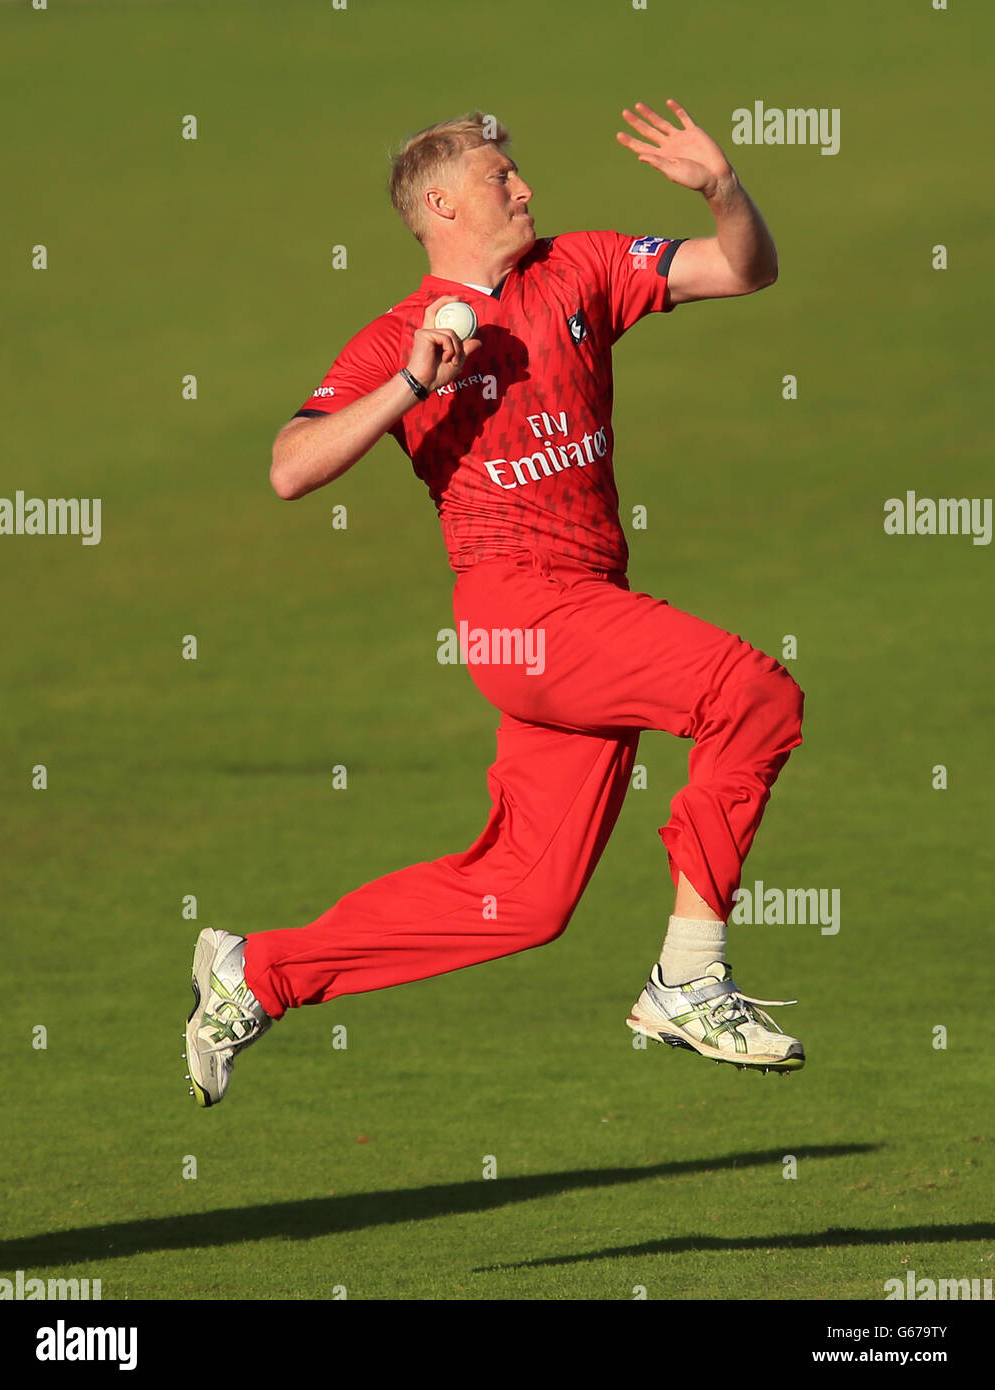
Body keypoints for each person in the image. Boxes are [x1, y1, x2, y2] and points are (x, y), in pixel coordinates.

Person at [184, 99, 805, 1108]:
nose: (525, 190)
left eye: (518, 176)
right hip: (524, 618)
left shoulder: (583, 267)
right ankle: (689, 973)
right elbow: (290, 470)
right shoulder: (396, 337)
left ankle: (255, 973)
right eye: (500, 180)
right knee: (755, 695)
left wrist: (725, 192)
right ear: (441, 204)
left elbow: (745, 268)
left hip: (587, 612)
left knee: (520, 897)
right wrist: (406, 386)